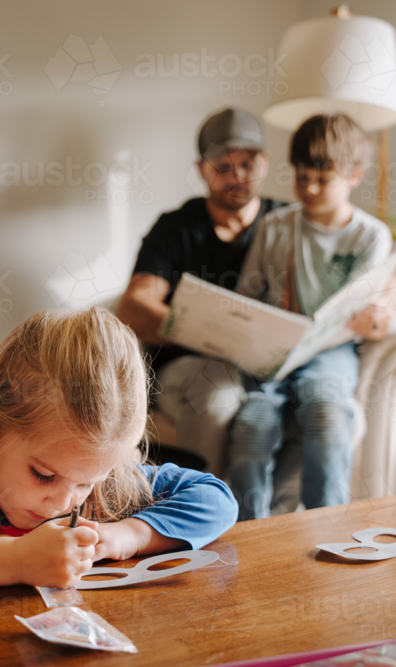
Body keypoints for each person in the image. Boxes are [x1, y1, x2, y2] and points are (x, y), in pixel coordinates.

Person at [0, 307, 238, 590]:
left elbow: (216, 499)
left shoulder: (104, 480)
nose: (63, 504)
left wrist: (126, 536)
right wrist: (15, 560)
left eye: (86, 484)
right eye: (43, 475)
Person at [229, 113, 396, 521]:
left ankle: (329, 525)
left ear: (354, 175)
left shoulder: (370, 236)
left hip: (331, 351)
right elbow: (246, 297)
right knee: (252, 424)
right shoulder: (274, 227)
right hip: (276, 353)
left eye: (323, 179)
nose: (309, 188)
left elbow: (376, 299)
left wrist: (382, 310)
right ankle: (248, 533)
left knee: (326, 410)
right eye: (301, 177)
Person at [116, 108, 285, 472]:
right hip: (189, 368)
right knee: (215, 391)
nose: (237, 176)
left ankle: (276, 522)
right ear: (201, 170)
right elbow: (134, 307)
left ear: (265, 164)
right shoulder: (176, 228)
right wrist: (205, 331)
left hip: (266, 369)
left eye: (247, 163)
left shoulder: (289, 223)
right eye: (222, 167)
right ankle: (203, 511)